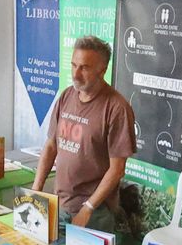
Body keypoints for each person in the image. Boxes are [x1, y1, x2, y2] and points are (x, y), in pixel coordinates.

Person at [33, 35, 136, 230]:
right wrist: (36, 191)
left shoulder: (116, 108)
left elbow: (117, 169)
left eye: (84, 68)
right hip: (60, 203)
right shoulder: (66, 96)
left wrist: (88, 208)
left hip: (95, 213)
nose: (76, 74)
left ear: (102, 70)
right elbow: (51, 146)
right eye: (73, 65)